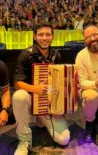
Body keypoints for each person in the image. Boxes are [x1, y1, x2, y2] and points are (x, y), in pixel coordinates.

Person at [12, 23, 70, 155]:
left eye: (48, 34)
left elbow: (59, 83)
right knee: (19, 96)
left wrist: (61, 106)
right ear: (35, 36)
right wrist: (34, 88)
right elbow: (17, 83)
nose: (44, 38)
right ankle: (24, 140)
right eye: (41, 35)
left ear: (52, 36)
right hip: (31, 99)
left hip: (48, 102)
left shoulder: (56, 55)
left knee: (64, 139)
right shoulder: (25, 55)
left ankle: (41, 119)